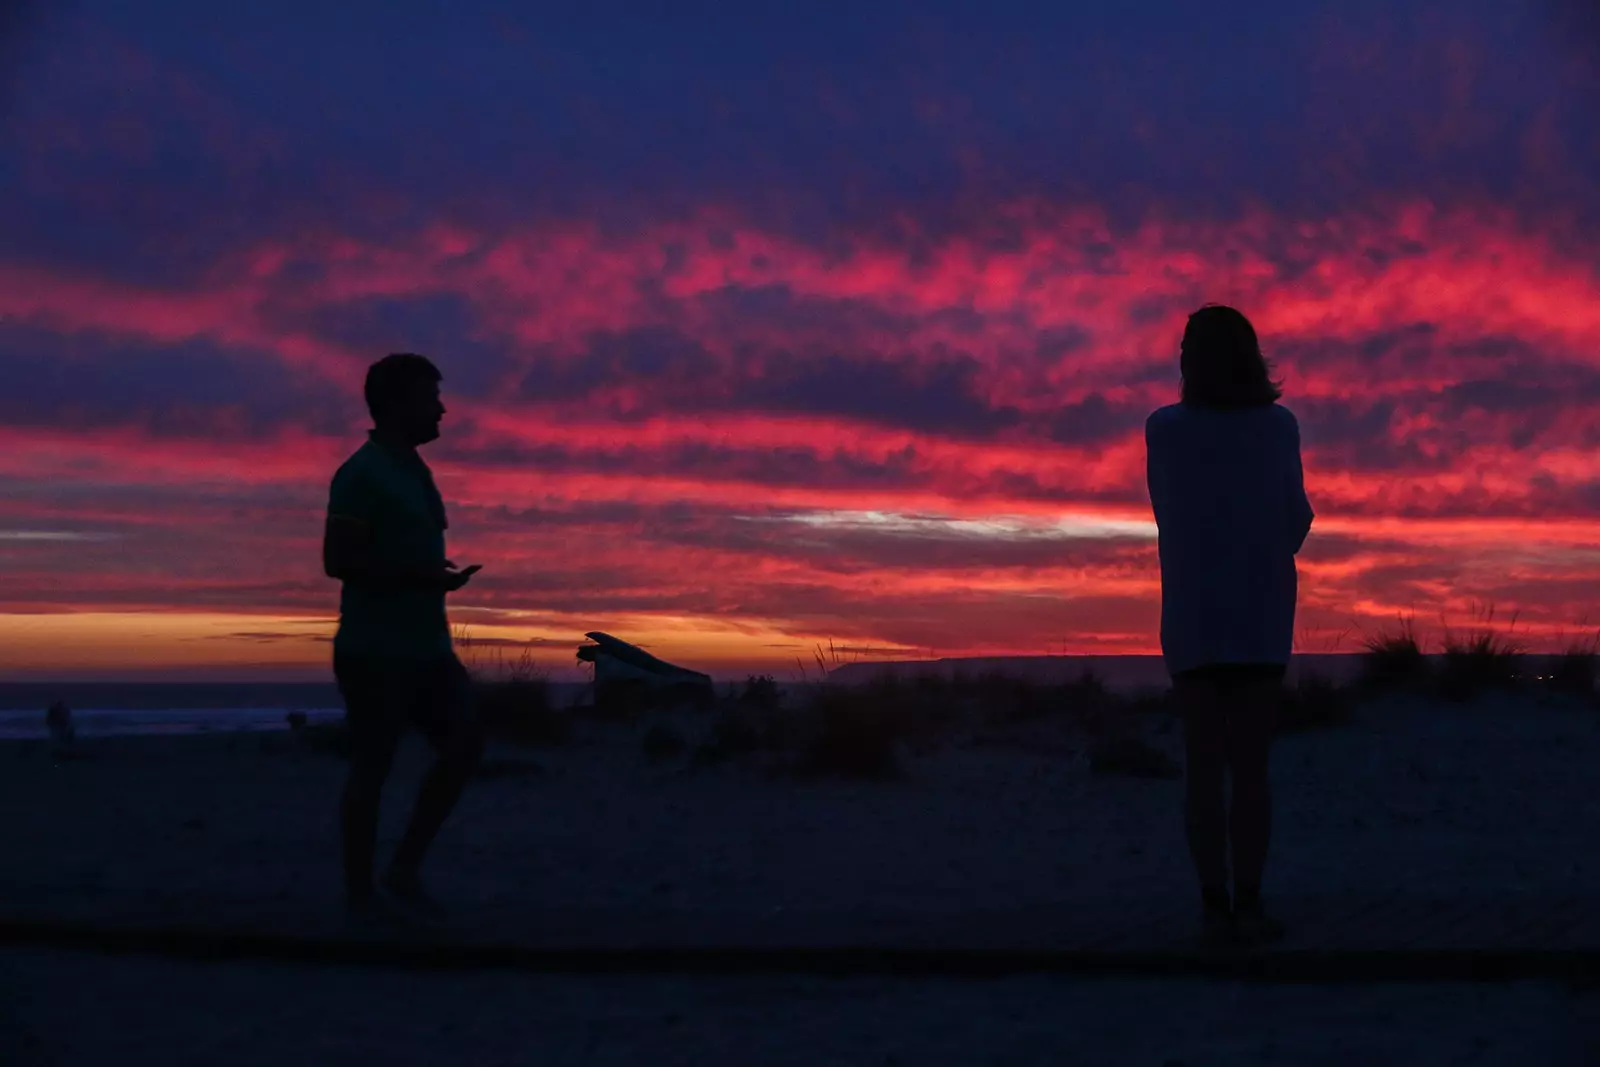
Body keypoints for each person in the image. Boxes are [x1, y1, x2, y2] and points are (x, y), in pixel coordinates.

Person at [1145, 305, 1314, 946]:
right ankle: (1249, 901)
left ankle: (1215, 905)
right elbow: (1294, 521)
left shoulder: (1164, 429)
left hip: (1192, 613)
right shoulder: (1277, 428)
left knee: (1203, 765)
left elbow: (1169, 509)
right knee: (1249, 769)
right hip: (1260, 611)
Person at [323, 353, 485, 923]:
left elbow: (402, 550)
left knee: (464, 746)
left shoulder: (414, 469)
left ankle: (403, 869)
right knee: (373, 767)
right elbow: (337, 559)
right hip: (375, 651)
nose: (441, 408)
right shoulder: (361, 473)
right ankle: (360, 894)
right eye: (430, 397)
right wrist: (418, 578)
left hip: (429, 649)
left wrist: (432, 576)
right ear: (396, 404)